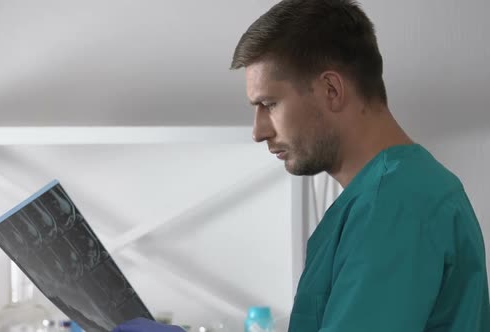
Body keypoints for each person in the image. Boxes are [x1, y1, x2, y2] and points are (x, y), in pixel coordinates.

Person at [113, 0, 490, 331]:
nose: (259, 131)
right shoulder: (395, 193)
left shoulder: (395, 204)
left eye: (270, 104)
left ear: (331, 90)